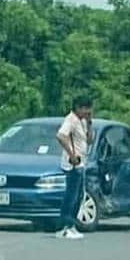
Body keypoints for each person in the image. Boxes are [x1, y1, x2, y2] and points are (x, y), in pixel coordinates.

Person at [55, 97, 94, 239]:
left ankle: (72, 225)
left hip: (82, 162)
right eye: (85, 108)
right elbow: (61, 136)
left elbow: (89, 141)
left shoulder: (82, 121)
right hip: (73, 164)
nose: (87, 111)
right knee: (71, 195)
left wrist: (89, 124)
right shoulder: (71, 119)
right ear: (78, 107)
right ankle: (65, 226)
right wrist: (72, 155)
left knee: (79, 195)